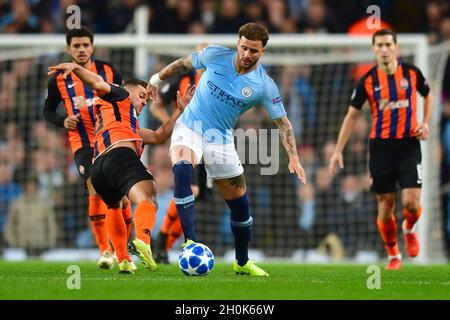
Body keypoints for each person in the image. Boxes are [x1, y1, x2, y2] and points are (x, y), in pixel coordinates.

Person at [147, 22, 306, 276]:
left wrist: (294, 158)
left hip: (220, 140)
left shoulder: (264, 85)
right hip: (190, 126)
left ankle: (242, 263)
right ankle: (190, 243)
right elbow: (183, 64)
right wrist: (155, 79)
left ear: (262, 51)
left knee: (240, 206)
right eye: (243, 48)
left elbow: (283, 122)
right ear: (238, 43)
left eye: (253, 51)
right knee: (183, 168)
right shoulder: (215, 56)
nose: (247, 54)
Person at [48, 61, 195, 273]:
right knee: (148, 197)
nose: (145, 102)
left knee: (115, 205)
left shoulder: (127, 122)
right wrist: (77, 68)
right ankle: (143, 241)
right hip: (119, 155)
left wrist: (179, 110)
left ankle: (124, 260)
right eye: (142, 96)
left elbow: (159, 136)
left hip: (98, 168)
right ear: (129, 91)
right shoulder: (120, 95)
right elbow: (99, 83)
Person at [329, 29, 433, 270]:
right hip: (380, 148)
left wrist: (425, 123)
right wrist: (338, 150)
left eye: (388, 44)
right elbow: (352, 116)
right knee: (386, 205)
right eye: (380, 45)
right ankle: (394, 253)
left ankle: (408, 228)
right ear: (374, 50)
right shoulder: (367, 80)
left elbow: (428, 95)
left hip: (408, 144)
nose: (384, 49)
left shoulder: (412, 73)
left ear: (396, 47)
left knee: (411, 203)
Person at [43, 26, 128, 270]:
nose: (81, 50)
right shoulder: (57, 79)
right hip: (83, 143)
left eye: (85, 45)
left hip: (110, 139)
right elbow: (47, 111)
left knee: (121, 197)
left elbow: (121, 99)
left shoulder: (110, 71)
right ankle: (105, 251)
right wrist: (63, 120)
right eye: (76, 46)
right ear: (68, 49)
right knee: (95, 187)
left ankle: (125, 251)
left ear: (92, 46)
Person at [151, 43, 210, 264]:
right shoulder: (182, 80)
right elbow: (156, 106)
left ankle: (162, 247)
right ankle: (164, 237)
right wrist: (172, 125)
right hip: (188, 141)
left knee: (196, 196)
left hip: (212, 144)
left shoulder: (220, 80)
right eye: (200, 54)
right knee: (191, 189)